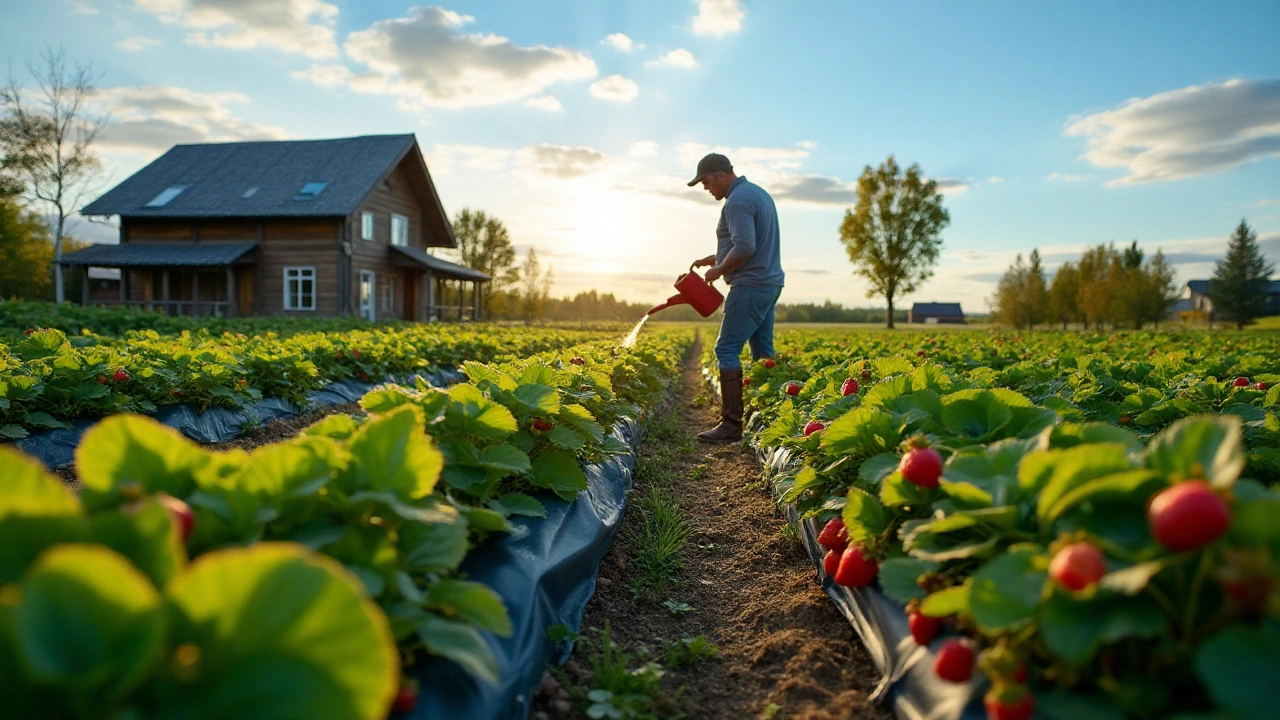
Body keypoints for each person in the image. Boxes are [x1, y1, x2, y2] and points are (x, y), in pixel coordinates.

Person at [687, 152, 785, 443]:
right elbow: (744, 242)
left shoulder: (738, 201)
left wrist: (718, 270)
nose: (706, 188)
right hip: (769, 282)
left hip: (750, 285)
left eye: (706, 182)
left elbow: (744, 248)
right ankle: (772, 415)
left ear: (720, 174)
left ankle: (731, 425)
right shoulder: (757, 194)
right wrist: (713, 257)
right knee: (763, 353)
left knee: (726, 349)